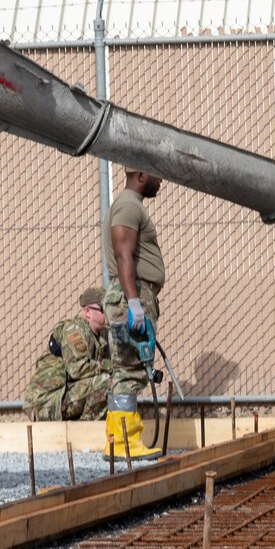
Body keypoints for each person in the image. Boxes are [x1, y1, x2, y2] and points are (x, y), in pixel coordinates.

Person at [104, 168, 168, 460]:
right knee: (129, 370)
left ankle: (120, 440)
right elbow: (123, 254)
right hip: (133, 294)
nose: (160, 181)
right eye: (156, 175)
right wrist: (133, 302)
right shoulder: (128, 206)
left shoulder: (130, 206)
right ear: (141, 174)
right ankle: (123, 444)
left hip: (135, 293)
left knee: (126, 369)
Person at [23, 288, 110, 422]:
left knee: (110, 381)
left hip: (62, 396)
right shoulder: (75, 329)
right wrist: (114, 366)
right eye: (105, 309)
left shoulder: (97, 336)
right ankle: (83, 432)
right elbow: (78, 369)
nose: (111, 314)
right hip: (47, 403)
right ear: (87, 312)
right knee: (106, 382)